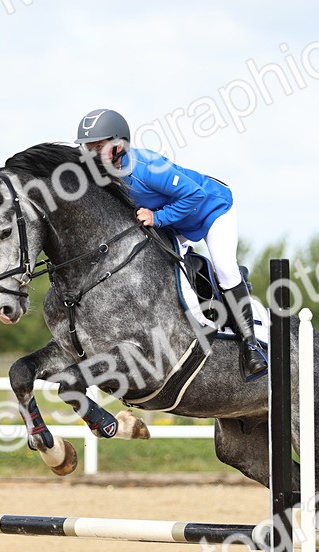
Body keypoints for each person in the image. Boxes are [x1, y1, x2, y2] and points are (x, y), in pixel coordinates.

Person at [74, 108, 267, 381]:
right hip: (175, 222)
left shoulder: (146, 166)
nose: (92, 155)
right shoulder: (102, 175)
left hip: (211, 210)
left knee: (225, 269)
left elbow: (195, 195)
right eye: (88, 148)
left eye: (99, 147)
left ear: (119, 145)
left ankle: (251, 345)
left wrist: (157, 218)